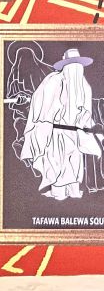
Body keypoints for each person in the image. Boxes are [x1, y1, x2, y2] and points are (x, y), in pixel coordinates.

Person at [19, 48, 100, 200]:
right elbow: (87, 114)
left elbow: (41, 102)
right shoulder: (84, 85)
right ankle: (74, 192)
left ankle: (59, 194)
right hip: (77, 133)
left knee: (57, 164)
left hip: (58, 132)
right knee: (73, 163)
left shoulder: (55, 80)